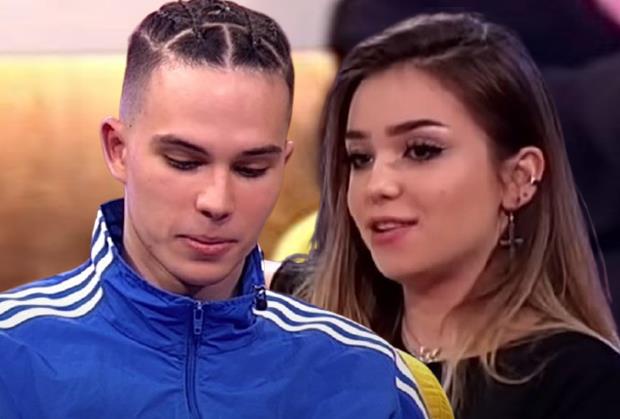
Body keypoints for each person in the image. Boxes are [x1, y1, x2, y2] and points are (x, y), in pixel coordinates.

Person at [0, 2, 430, 418]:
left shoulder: (367, 378)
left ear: (283, 164)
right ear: (118, 149)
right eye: (184, 162)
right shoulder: (12, 354)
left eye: (251, 169)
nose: (217, 202)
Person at [275, 12, 620, 418]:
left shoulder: (583, 383)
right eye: (360, 158)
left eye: (422, 150)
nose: (377, 185)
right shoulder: (298, 322)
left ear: (518, 178)